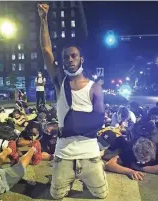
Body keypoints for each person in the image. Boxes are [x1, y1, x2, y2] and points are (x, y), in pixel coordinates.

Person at [38, 3, 108, 199]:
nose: (70, 59)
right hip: (64, 154)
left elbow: (99, 120)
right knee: (56, 196)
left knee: (101, 196)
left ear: (81, 59)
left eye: (73, 55)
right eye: (66, 57)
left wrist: (73, 124)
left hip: (90, 154)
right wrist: (43, 19)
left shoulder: (94, 87)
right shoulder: (60, 82)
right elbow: (45, 50)